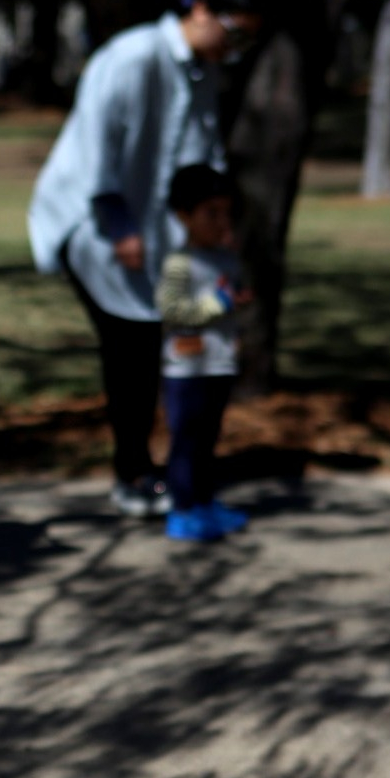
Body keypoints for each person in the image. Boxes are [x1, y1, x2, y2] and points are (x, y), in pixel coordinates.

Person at [27, 0, 263, 517]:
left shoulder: (203, 74)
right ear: (200, 9)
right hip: (93, 224)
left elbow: (202, 161)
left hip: (150, 234)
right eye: (233, 30)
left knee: (150, 343)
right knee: (133, 343)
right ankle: (133, 473)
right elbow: (98, 145)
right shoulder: (134, 57)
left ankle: (153, 468)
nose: (235, 46)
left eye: (246, 38)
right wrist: (119, 226)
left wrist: (215, 219)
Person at [157, 163, 252, 543]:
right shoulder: (179, 263)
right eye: (210, 213)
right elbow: (171, 309)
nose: (219, 221)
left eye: (225, 213)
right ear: (183, 216)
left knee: (209, 439)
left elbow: (233, 295)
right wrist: (219, 303)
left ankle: (205, 501)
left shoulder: (227, 259)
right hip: (186, 368)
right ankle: (182, 509)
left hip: (219, 362)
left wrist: (238, 299)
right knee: (186, 439)